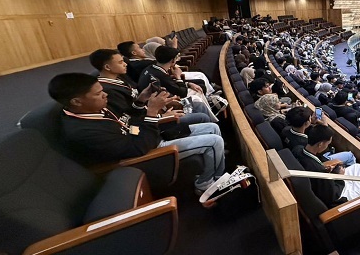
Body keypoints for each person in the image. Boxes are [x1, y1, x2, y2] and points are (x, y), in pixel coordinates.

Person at [48, 73, 228, 197]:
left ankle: (217, 172)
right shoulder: (82, 131)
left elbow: (129, 120)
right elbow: (135, 148)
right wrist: (152, 113)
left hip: (146, 136)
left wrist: (141, 99)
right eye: (98, 93)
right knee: (214, 142)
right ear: (76, 101)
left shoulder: (95, 107)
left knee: (212, 127)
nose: (105, 95)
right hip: (146, 152)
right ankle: (205, 184)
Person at [291, 125, 360, 208]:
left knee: (357, 167)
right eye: (327, 144)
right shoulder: (317, 170)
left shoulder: (298, 149)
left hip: (331, 183)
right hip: (340, 195)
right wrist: (339, 177)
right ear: (320, 144)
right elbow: (332, 196)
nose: (327, 147)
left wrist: (331, 173)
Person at [281, 106, 356, 166]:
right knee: (349, 155)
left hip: (302, 159)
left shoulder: (285, 130)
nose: (311, 118)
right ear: (306, 123)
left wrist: (312, 123)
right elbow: (320, 149)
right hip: (320, 159)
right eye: (310, 118)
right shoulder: (305, 142)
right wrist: (325, 126)